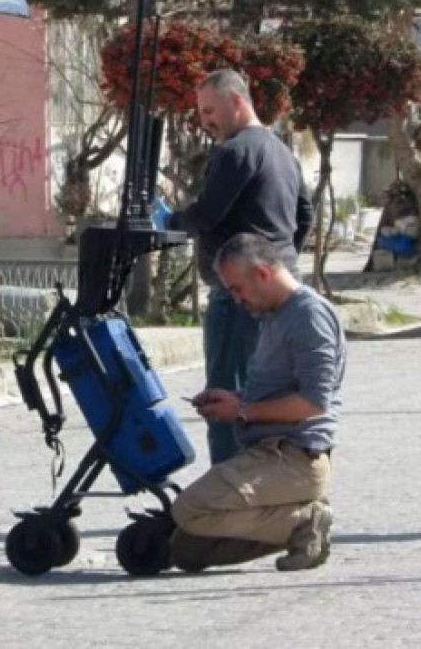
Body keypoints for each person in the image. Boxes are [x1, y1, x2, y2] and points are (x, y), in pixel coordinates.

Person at [159, 68, 313, 465]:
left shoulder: (236, 150)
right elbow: (305, 215)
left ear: (237, 101)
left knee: (226, 397)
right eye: (201, 112)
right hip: (280, 288)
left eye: (210, 109)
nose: (205, 120)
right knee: (268, 394)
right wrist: (278, 263)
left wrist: (169, 222)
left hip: (238, 295)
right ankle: (266, 487)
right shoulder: (282, 153)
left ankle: (227, 492)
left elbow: (207, 214)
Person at [170, 233, 345, 572]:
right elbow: (277, 392)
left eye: (237, 289)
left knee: (189, 511)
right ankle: (293, 521)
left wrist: (242, 410)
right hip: (267, 452)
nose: (236, 300)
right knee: (186, 549)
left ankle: (305, 520)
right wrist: (236, 399)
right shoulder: (274, 315)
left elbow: (313, 403)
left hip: (293, 458)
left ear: (263, 274)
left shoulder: (308, 316)